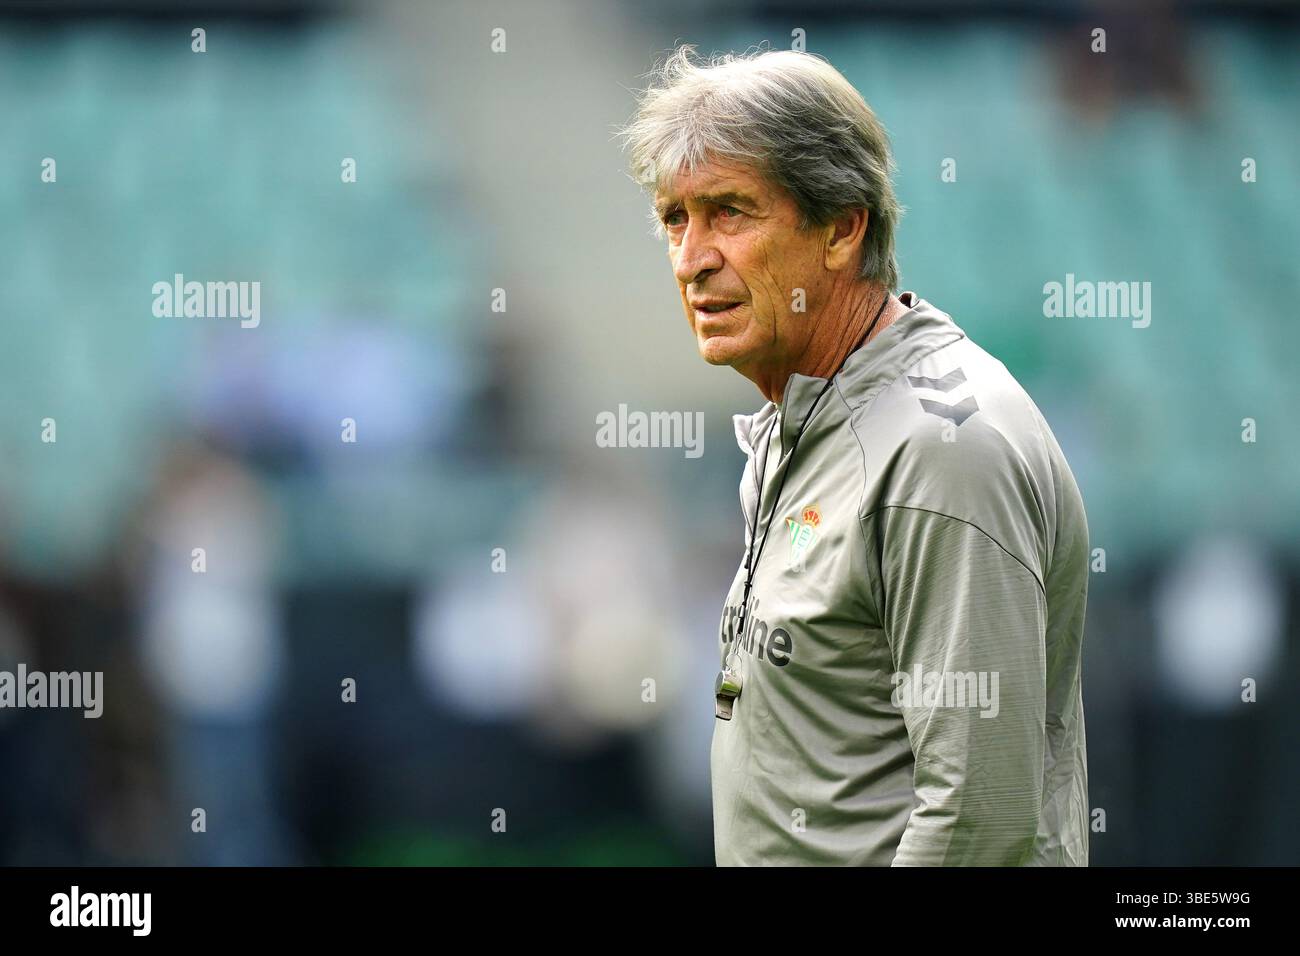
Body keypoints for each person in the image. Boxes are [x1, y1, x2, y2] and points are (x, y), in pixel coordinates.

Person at [620, 46, 1090, 865]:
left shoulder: (941, 451)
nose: (692, 259)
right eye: (675, 220)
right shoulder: (808, 415)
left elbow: (979, 822)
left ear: (841, 227)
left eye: (729, 212)